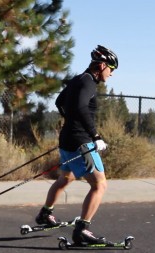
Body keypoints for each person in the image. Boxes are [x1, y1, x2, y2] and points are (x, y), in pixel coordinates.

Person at [35, 45, 119, 244]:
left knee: (66, 177)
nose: (111, 74)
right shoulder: (88, 82)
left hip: (67, 139)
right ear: (101, 66)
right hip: (81, 141)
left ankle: (46, 214)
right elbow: (81, 107)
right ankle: (82, 230)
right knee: (99, 185)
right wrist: (95, 135)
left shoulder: (77, 80)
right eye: (111, 70)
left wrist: (70, 121)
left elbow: (59, 101)